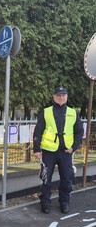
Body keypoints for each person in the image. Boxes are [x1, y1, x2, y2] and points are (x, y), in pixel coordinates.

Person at [33, 86, 84, 214]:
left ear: (66, 96)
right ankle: (45, 202)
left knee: (67, 178)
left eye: (63, 95)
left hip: (66, 152)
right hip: (49, 152)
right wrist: (36, 149)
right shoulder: (46, 112)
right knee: (45, 178)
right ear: (54, 96)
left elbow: (79, 132)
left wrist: (73, 147)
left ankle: (64, 202)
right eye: (58, 95)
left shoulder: (73, 113)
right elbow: (38, 131)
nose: (61, 97)